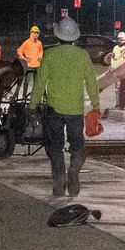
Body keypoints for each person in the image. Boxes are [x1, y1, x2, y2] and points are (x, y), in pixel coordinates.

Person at [31, 15, 99, 199]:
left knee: (55, 147)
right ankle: (74, 170)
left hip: (54, 110)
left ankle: (59, 180)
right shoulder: (82, 55)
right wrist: (96, 105)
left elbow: (40, 83)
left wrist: (32, 105)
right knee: (78, 146)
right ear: (75, 37)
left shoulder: (50, 55)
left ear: (58, 35)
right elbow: (92, 82)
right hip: (75, 111)